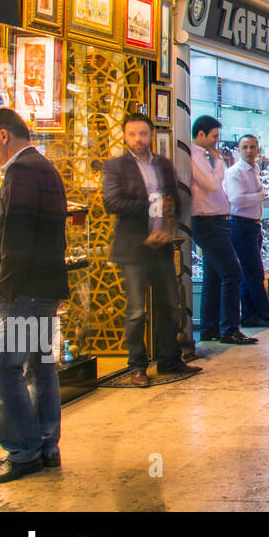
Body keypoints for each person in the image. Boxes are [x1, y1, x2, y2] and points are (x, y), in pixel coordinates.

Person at [0, 109, 69, 485]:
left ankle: (23, 451)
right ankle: (45, 445)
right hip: (39, 288)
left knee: (1, 368)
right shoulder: (40, 168)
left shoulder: (22, 172)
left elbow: (15, 240)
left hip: (26, 291)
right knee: (38, 364)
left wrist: (4, 288)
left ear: (2, 135)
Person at [102, 112, 200, 388]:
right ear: (124, 136)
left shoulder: (162, 164)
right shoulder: (116, 166)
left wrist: (168, 220)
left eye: (143, 134)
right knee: (136, 310)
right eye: (132, 134)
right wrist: (150, 203)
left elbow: (174, 199)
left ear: (151, 135)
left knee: (169, 304)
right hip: (134, 246)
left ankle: (170, 359)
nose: (138, 139)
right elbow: (112, 203)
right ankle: (137, 366)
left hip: (162, 244)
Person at [190, 115, 257, 346]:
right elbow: (211, 184)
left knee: (212, 277)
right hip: (207, 222)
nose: (217, 141)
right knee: (232, 273)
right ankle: (229, 329)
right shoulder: (196, 157)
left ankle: (210, 328)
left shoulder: (206, 156)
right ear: (201, 135)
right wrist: (219, 162)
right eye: (214, 136)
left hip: (216, 221)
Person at [225, 134, 269, 327]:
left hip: (253, 225)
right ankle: (265, 313)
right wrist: (259, 196)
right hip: (240, 225)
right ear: (238, 150)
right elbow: (236, 199)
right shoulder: (235, 172)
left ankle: (249, 314)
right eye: (245, 147)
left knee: (250, 273)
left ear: (257, 150)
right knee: (254, 272)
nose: (248, 151)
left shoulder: (254, 169)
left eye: (252, 147)